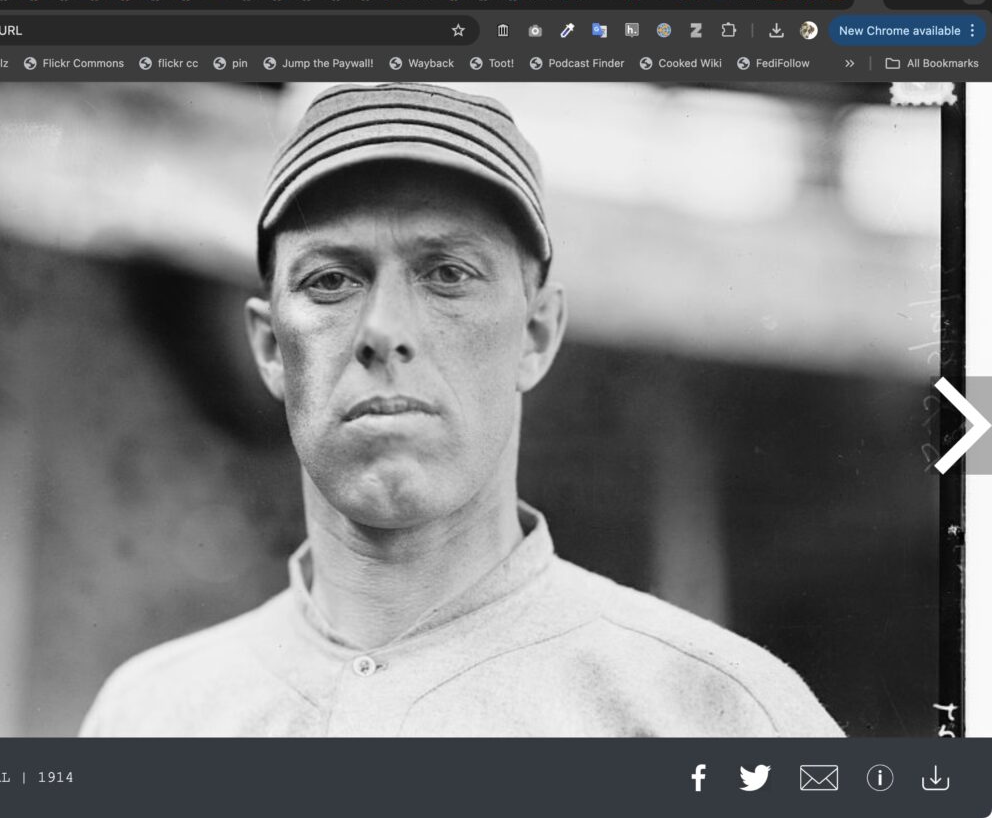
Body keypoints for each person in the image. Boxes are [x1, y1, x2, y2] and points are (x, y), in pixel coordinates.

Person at [80, 83, 843, 737]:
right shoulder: (150, 717)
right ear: (272, 347)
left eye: (447, 273)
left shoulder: (708, 713)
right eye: (331, 280)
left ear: (536, 334)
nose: (384, 329)